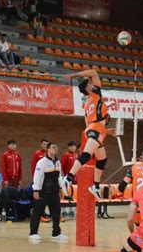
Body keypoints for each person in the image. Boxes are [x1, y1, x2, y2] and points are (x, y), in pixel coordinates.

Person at [61, 69, 116, 199]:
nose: (93, 83)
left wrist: (106, 130)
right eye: (90, 83)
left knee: (102, 159)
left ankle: (95, 186)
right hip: (96, 129)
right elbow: (94, 72)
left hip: (95, 129)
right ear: (88, 87)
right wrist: (75, 75)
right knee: (86, 155)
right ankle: (67, 179)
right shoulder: (95, 93)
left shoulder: (86, 104)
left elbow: (88, 124)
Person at [29, 142, 67, 242]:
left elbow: (59, 177)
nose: (55, 148)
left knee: (56, 212)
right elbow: (37, 177)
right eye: (53, 147)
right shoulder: (42, 162)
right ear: (48, 150)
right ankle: (33, 233)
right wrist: (36, 190)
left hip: (54, 192)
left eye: (56, 147)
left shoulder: (58, 162)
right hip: (43, 191)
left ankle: (56, 233)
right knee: (38, 212)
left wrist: (62, 189)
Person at [60, 141, 79, 218]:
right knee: (66, 195)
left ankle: (71, 210)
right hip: (67, 179)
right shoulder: (66, 155)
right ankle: (64, 211)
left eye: (74, 146)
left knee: (73, 195)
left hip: (76, 179)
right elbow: (61, 166)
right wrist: (63, 178)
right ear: (68, 147)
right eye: (71, 146)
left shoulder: (77, 155)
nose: (73, 148)